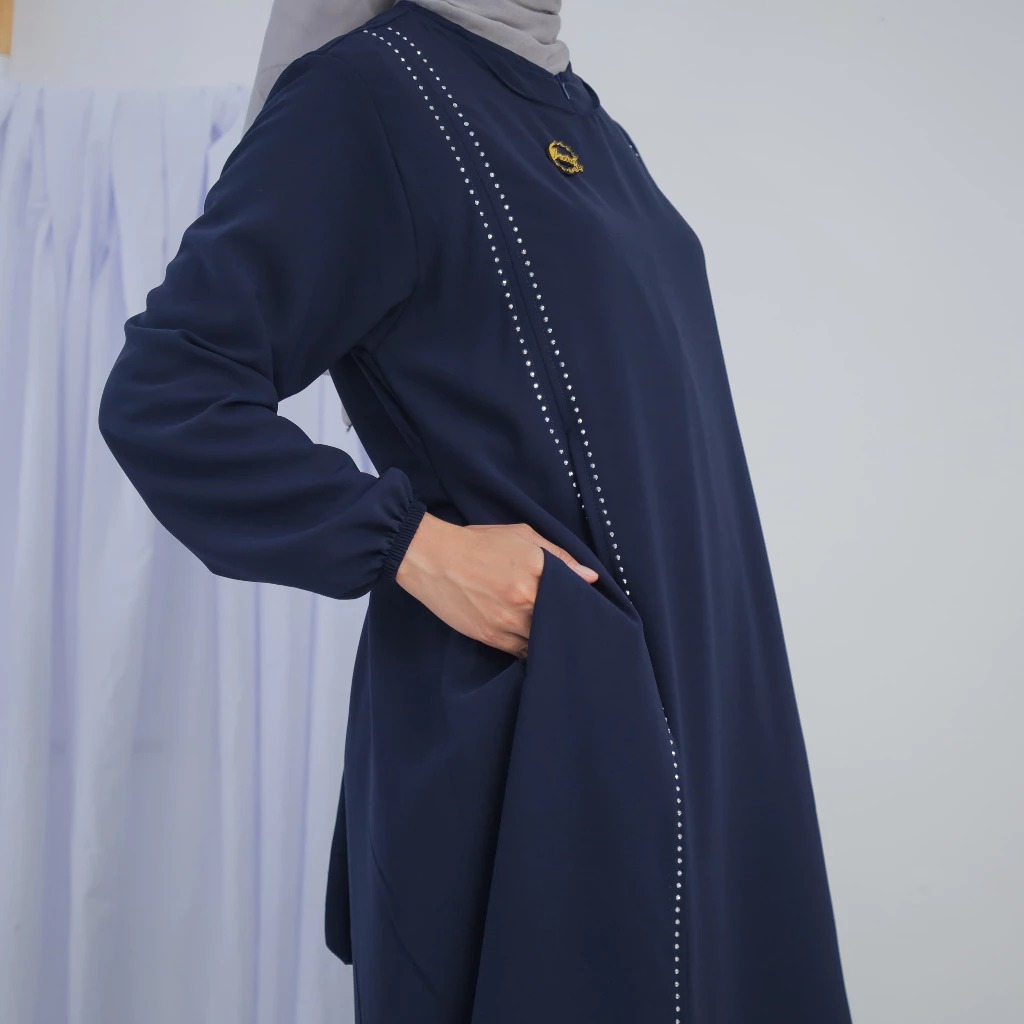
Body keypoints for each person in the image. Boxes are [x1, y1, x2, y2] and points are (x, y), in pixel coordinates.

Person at [97, 2, 855, 1021]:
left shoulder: (585, 120)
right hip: (547, 748)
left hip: (712, 724)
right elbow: (167, 390)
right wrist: (413, 546)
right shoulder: (367, 96)